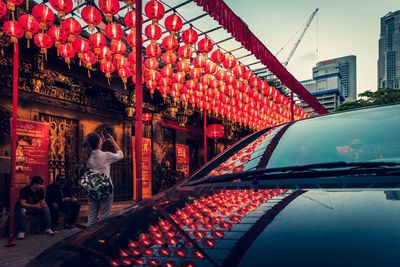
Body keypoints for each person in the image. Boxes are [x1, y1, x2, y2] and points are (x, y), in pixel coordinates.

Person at [86, 132, 123, 227]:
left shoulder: (89, 158)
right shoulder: (105, 155)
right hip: (105, 187)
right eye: (100, 139)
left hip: (92, 187)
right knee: (105, 216)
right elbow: (120, 154)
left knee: (91, 217)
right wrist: (113, 141)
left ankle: (89, 237)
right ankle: (102, 237)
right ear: (99, 142)